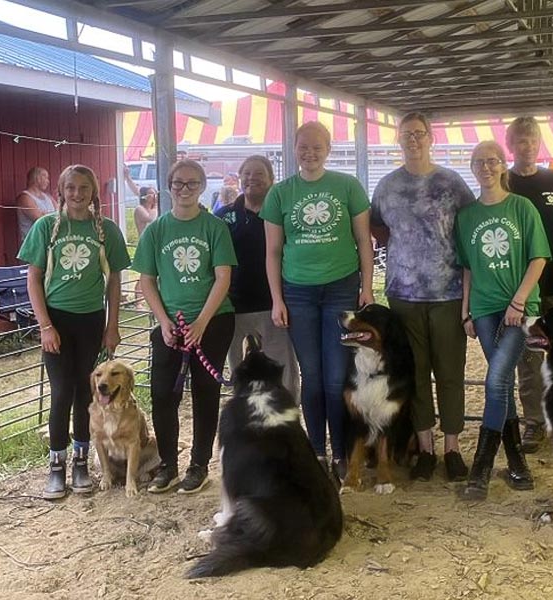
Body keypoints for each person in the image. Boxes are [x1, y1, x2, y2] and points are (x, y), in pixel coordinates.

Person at [262, 121, 374, 482]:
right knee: (311, 375)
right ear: (293, 148)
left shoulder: (347, 186)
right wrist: (277, 298)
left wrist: (367, 288)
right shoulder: (280, 193)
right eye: (303, 147)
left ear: (329, 149)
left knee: (336, 375)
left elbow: (363, 242)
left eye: (317, 147)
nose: (310, 153)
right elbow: (274, 252)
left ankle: (341, 451)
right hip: (298, 292)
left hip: (341, 288)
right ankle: (318, 451)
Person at [370, 112, 476, 482]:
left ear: (431, 137)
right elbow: (374, 225)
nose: (413, 140)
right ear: (398, 140)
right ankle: (425, 448)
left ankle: (452, 447)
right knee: (415, 374)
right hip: (403, 294)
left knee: (450, 372)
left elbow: (470, 229)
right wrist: (404, 251)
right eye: (406, 134)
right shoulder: (386, 186)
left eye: (419, 133)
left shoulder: (452, 183)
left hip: (448, 293)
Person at [17, 165, 130, 500]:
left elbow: (113, 281)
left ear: (93, 192)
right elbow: (33, 278)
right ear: (61, 192)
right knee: (61, 392)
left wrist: (112, 326)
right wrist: (45, 326)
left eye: (84, 188)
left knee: (88, 392)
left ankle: (81, 462)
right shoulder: (46, 227)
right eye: (71, 189)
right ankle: (57, 465)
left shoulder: (106, 230)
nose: (77, 195)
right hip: (58, 321)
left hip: (91, 321)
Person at [133, 159, 236, 495]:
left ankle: (199, 464)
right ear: (169, 186)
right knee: (163, 394)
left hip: (213, 320)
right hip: (171, 325)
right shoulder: (156, 230)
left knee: (206, 393)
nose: (185, 189)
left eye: (192, 183)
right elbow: (147, 280)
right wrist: (163, 321)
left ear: (202, 187)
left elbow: (223, 276)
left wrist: (202, 322)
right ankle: (169, 464)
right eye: (178, 183)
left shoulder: (214, 227)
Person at [455, 141, 550, 501]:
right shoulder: (466, 216)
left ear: (502, 165)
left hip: (519, 307)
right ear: (473, 167)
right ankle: (515, 462)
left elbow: (538, 258)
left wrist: (520, 300)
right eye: (479, 162)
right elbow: (467, 267)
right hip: (483, 308)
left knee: (496, 379)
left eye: (491, 161)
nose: (485, 167)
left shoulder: (521, 208)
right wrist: (466, 310)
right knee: (502, 385)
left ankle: (480, 467)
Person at [505, 116, 553, 455]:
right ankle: (534, 422)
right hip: (524, 285)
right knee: (530, 359)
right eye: (522, 141)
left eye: (533, 140)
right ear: (512, 145)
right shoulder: (504, 182)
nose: (528, 146)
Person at [215, 155, 300, 398]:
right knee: (240, 377)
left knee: (283, 376)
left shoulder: (282, 213)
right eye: (247, 173)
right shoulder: (223, 217)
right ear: (239, 179)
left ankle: (287, 425)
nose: (252, 178)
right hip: (233, 307)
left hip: (272, 306)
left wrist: (280, 301)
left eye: (260, 174)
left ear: (272, 179)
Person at [17, 166, 58, 242]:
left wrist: (45, 213)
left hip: (50, 242)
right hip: (33, 244)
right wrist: (52, 215)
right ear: (37, 178)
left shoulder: (48, 197)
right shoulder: (25, 197)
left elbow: (61, 214)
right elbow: (41, 220)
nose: (48, 181)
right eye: (45, 177)